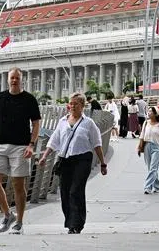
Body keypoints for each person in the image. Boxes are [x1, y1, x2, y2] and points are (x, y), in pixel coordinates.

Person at [0, 68, 42, 234]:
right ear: (8, 80)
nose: (14, 80)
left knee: (18, 185)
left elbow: (36, 123)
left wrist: (31, 144)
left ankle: (20, 223)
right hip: (0, 145)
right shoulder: (0, 97)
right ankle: (8, 214)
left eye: (17, 78)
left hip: (21, 146)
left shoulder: (29, 99)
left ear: (21, 80)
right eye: (12, 78)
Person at [38, 92, 108, 234]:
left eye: (76, 104)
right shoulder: (63, 121)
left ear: (82, 106)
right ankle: (70, 221)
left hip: (82, 159)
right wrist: (44, 156)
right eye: (71, 103)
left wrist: (102, 163)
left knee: (75, 190)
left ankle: (77, 223)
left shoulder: (88, 123)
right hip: (66, 160)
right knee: (65, 192)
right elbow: (54, 141)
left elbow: (97, 144)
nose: (73, 106)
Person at [138, 105, 159, 193]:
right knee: (150, 168)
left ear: (155, 114)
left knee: (153, 168)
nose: (148, 113)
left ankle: (147, 187)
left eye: (150, 112)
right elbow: (142, 135)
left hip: (156, 147)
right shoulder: (146, 123)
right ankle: (157, 186)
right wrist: (139, 147)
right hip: (146, 147)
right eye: (148, 111)